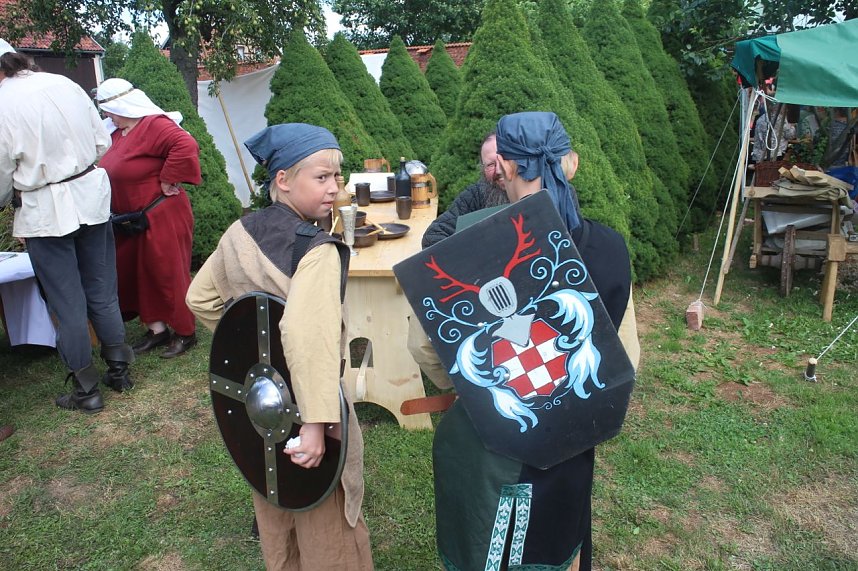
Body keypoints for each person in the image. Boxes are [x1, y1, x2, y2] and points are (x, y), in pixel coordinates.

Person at [408, 111, 640, 571]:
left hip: (490, 437)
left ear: (507, 167)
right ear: (568, 164)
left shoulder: (467, 241)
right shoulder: (610, 246)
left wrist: (469, 387)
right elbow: (625, 356)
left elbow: (424, 346)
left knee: (491, 549)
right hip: (571, 436)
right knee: (556, 546)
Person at [186, 123, 373, 570]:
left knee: (275, 496)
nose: (335, 188)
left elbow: (201, 297)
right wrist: (315, 424)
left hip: (264, 405)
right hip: (312, 407)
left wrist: (250, 347)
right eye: (322, 177)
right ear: (284, 180)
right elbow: (309, 341)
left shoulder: (240, 231)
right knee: (329, 522)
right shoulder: (317, 250)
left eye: (337, 177)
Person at [0, 47, 134, 412]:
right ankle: (119, 370)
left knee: (68, 303)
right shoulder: (64, 83)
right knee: (102, 291)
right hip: (88, 196)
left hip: (46, 209)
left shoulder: (2, 103)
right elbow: (101, 141)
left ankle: (87, 390)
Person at [95, 78, 202, 358]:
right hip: (130, 220)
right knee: (140, 274)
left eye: (109, 109)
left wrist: (170, 178)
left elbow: (185, 144)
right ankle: (157, 330)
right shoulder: (116, 131)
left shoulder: (154, 124)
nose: (107, 115)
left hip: (161, 213)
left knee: (169, 272)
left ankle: (185, 331)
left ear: (122, 104)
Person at [422, 131, 510, 248]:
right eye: (491, 165)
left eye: (504, 159)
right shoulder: (476, 195)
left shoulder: (537, 190)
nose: (499, 170)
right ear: (482, 169)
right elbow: (433, 236)